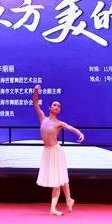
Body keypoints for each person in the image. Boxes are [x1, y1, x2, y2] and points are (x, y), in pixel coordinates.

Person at [32, 84, 84, 215]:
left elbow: (71, 128)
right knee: (61, 178)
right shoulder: (43, 118)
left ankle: (53, 208)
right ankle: (69, 199)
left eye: (59, 106)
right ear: (49, 107)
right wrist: (36, 91)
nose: (56, 107)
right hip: (47, 152)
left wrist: (80, 134)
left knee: (58, 179)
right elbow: (35, 102)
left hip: (56, 151)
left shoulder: (59, 123)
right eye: (54, 105)